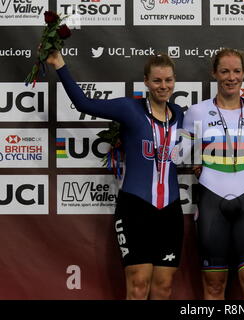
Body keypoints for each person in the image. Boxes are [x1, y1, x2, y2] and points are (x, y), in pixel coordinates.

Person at [46, 51, 184, 300]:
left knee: (163, 287)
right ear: (146, 81)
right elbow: (84, 104)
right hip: (136, 207)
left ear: (174, 81)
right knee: (139, 284)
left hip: (171, 210)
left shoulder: (181, 115)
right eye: (157, 81)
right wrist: (60, 65)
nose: (163, 86)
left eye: (168, 80)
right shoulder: (129, 108)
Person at [182, 48, 244, 300]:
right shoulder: (196, 112)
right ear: (214, 73)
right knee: (213, 286)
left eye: (236, 71)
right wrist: (200, 164)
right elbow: (180, 153)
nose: (231, 77)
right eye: (224, 71)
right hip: (211, 202)